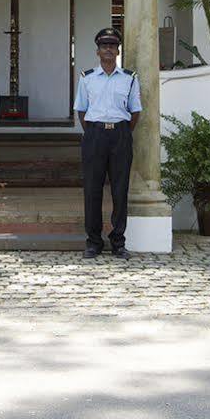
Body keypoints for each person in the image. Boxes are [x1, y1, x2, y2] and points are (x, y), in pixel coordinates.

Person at [73, 27, 141, 258]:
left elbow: (135, 112)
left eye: (112, 46)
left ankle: (118, 242)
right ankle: (93, 242)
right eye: (104, 46)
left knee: (120, 190)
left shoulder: (130, 79)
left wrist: (118, 131)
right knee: (92, 190)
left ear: (118, 50)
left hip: (120, 135)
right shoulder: (87, 78)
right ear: (98, 51)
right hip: (95, 135)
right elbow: (81, 110)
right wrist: (96, 130)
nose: (109, 50)